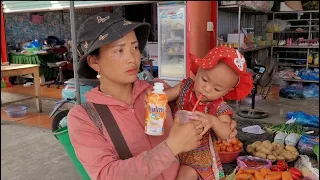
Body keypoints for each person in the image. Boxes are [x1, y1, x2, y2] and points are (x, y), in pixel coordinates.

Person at [67, 12, 238, 180]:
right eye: (119, 50)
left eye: (134, 47)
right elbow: (107, 175)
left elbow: (198, 114)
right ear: (95, 62)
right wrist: (172, 147)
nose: (133, 58)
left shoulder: (160, 92)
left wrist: (220, 123)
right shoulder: (84, 118)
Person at [164, 46, 253, 180]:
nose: (207, 89)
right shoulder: (185, 87)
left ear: (226, 92)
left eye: (217, 89)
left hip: (197, 159)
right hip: (173, 148)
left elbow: (226, 132)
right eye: (204, 80)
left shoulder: (218, 107)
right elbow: (163, 97)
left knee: (187, 174)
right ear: (199, 69)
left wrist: (213, 121)